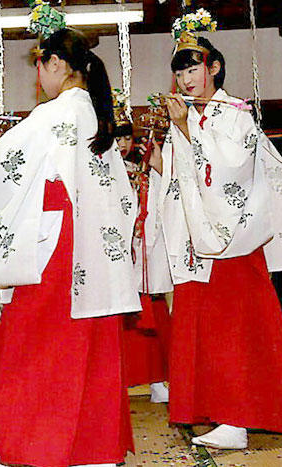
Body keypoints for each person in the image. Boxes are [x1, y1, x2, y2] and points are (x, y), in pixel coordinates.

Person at [0, 28, 140, 467]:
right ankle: (95, 450)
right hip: (96, 248)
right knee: (92, 349)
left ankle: (22, 446)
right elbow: (124, 198)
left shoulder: (55, 115)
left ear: (56, 65)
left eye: (40, 65)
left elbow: (1, 169)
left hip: (57, 247)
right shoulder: (96, 115)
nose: (39, 77)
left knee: (33, 346)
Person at [156, 19, 282, 450]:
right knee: (202, 327)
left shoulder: (235, 115)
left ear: (214, 68)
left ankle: (237, 418)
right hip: (199, 242)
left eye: (193, 68)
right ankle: (216, 410)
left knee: (233, 329)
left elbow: (230, 171)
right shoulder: (192, 117)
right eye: (180, 71)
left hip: (233, 240)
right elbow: (184, 179)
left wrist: (188, 131)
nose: (185, 79)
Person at [113, 91, 172, 403]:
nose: (121, 145)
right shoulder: (102, 170)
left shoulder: (141, 168)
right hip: (113, 251)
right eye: (116, 138)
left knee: (153, 310)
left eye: (125, 138)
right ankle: (116, 381)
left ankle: (158, 379)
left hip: (140, 245)